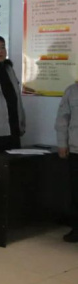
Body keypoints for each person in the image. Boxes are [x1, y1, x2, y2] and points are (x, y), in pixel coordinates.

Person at [54, 82, 78, 242]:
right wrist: (62, 143)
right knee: (76, 193)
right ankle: (77, 229)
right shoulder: (72, 91)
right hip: (76, 149)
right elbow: (62, 119)